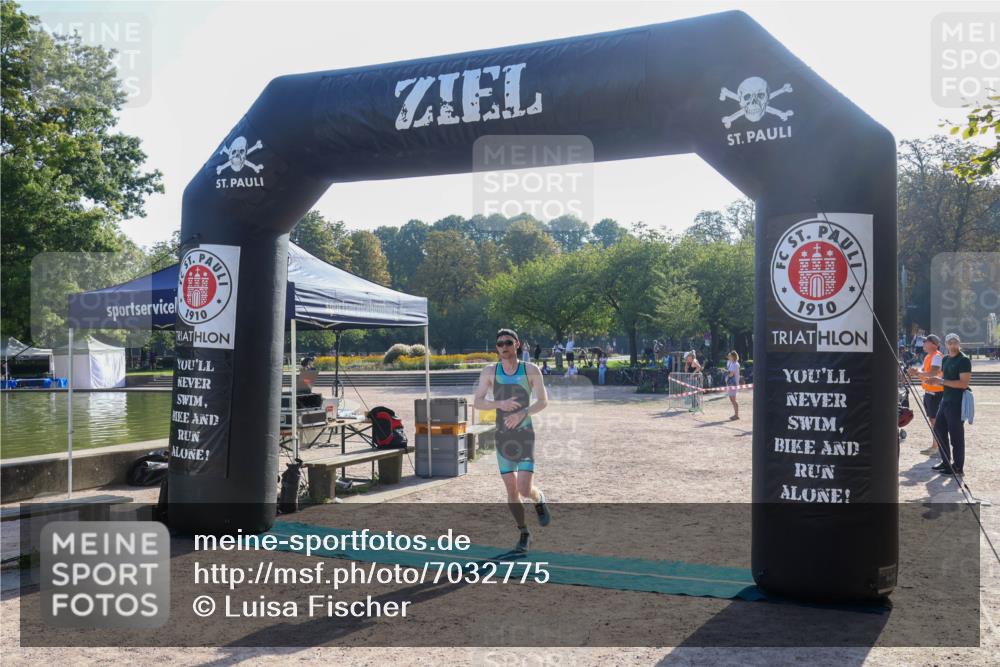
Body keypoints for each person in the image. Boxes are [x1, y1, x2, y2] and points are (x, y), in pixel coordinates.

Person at [473, 328, 551, 552]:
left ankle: (538, 498)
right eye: (500, 344)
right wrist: (499, 404)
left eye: (508, 342)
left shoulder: (530, 370)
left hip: (524, 434)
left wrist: (522, 413)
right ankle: (524, 532)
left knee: (525, 489)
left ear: (517, 344)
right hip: (503, 436)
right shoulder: (489, 371)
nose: (504, 346)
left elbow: (543, 401)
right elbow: (477, 401)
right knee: (511, 489)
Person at [922, 333, 972, 475]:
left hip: (956, 402)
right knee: (938, 429)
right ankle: (946, 462)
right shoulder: (946, 359)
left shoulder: (963, 360)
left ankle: (958, 467)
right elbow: (943, 377)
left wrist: (941, 382)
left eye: (955, 342)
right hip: (945, 400)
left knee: (956, 435)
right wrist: (933, 380)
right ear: (945, 344)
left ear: (959, 343)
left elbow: (963, 383)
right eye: (950, 342)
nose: (952, 345)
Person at [908, 334, 943, 456]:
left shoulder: (937, 356)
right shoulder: (928, 356)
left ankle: (938, 447)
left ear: (933, 344)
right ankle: (935, 445)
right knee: (932, 420)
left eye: (925, 342)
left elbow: (933, 372)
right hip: (929, 393)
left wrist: (917, 372)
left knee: (936, 421)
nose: (923, 344)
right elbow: (923, 373)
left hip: (936, 393)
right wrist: (915, 373)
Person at [725, 350, 741, 421]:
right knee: (731, 399)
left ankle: (736, 415)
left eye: (730, 356)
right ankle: (735, 414)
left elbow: (731, 374)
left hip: (733, 383)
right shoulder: (731, 363)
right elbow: (730, 372)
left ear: (733, 356)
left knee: (733, 399)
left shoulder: (735, 364)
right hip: (730, 383)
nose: (729, 357)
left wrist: (726, 373)